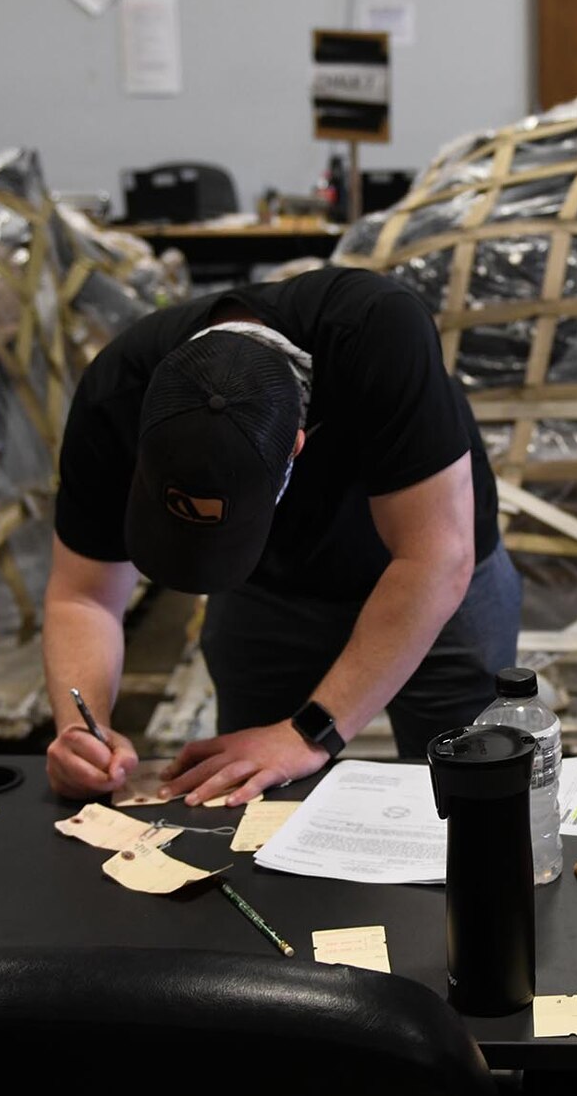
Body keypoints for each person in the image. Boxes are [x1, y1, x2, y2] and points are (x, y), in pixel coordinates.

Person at [43, 267, 517, 807]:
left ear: (296, 447)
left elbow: (435, 558)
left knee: (468, 797)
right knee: (242, 794)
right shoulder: (114, 394)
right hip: (271, 591)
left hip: (435, 577)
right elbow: (83, 594)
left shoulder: (376, 329)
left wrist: (310, 733)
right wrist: (82, 731)